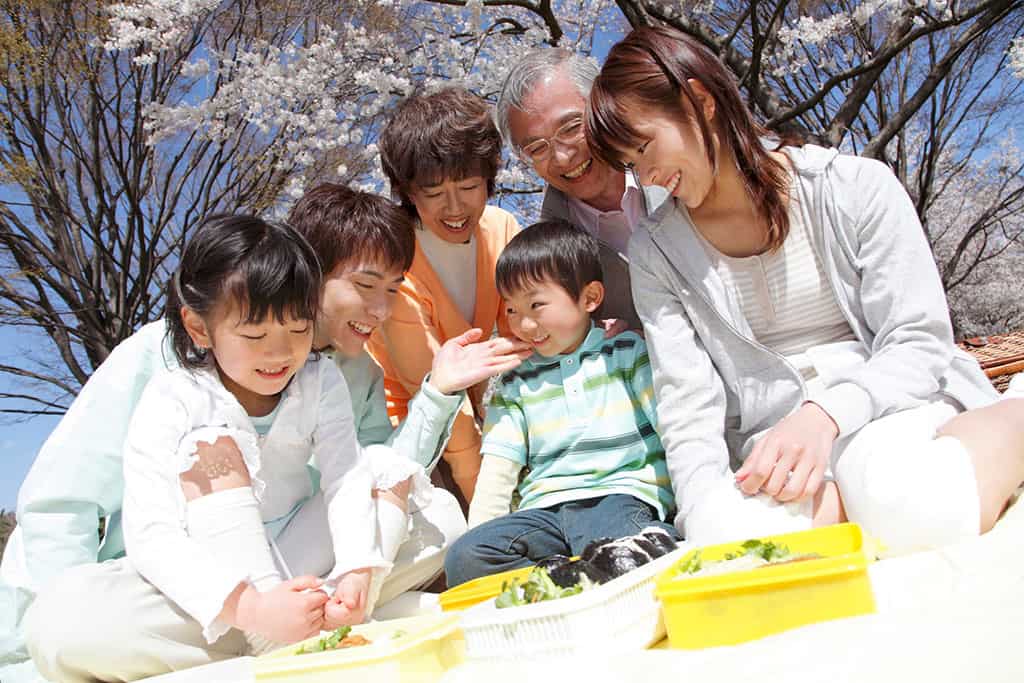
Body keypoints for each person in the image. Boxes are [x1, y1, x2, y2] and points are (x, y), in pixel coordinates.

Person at [3, 187, 530, 682]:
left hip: (298, 561)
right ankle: (279, 630)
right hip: (184, 579)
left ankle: (300, 624)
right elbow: (72, 506)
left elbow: (367, 477)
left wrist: (356, 570)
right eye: (366, 286)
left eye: (394, 290)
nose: (382, 310)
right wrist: (23, 647)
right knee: (63, 618)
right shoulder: (165, 374)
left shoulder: (338, 376)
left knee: (438, 517)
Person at [584, 25, 1024, 554]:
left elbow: (917, 339)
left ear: (699, 101)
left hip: (889, 404)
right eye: (631, 165)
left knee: (913, 506)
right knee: (727, 544)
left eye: (645, 146)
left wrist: (826, 416)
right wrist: (705, 514)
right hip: (776, 442)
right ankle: (854, 505)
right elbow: (687, 402)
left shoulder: (856, 187)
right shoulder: (657, 253)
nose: (646, 177)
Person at [443, 220, 679, 587]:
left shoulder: (625, 352)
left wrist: (690, 505)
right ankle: (563, 584)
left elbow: (671, 427)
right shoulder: (516, 381)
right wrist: (483, 533)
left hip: (616, 495)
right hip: (543, 513)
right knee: (465, 557)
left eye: (536, 305)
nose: (523, 323)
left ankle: (639, 552)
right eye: (511, 310)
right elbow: (499, 467)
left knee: (617, 550)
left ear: (589, 299)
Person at [368, 87, 521, 511]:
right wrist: (489, 510)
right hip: (406, 430)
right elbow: (439, 396)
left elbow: (529, 343)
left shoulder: (502, 228)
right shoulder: (398, 261)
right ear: (407, 193)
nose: (455, 208)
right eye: (433, 193)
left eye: (470, 186)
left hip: (472, 419)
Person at [495, 48, 668, 329]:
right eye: (537, 148)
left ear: (603, 105)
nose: (563, 157)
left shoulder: (677, 163)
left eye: (571, 128)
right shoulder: (550, 259)